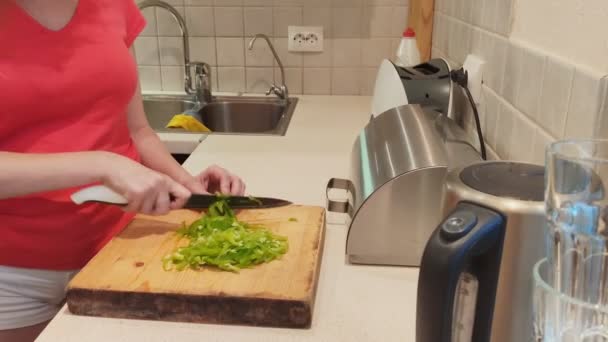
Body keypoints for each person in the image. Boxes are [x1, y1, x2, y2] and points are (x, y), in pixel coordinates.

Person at [0, 1, 245, 341]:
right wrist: (100, 164)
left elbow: (138, 131)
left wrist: (187, 184)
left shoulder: (114, 6)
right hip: (13, 276)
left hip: (121, 250)